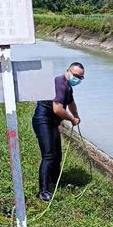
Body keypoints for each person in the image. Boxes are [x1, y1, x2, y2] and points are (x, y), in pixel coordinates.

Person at [32, 62, 85, 201]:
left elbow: (71, 104)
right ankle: (43, 191)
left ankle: (54, 182)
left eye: (81, 77)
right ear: (68, 71)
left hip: (52, 123)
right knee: (48, 156)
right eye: (76, 76)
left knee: (57, 156)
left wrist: (77, 116)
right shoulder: (60, 83)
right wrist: (72, 119)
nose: (78, 79)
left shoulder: (68, 86)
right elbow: (57, 109)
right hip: (43, 121)